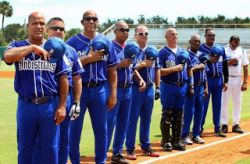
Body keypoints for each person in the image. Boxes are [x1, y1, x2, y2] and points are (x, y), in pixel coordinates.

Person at [4, 12, 70, 164]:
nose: (39, 26)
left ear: (45, 27)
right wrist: (32, 48)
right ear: (27, 26)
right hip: (26, 105)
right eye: (34, 23)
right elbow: (8, 56)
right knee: (25, 148)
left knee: (51, 149)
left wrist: (61, 106)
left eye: (41, 23)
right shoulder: (18, 45)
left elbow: (63, 78)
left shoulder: (55, 46)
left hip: (49, 105)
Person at [66, 10, 118, 164]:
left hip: (100, 90)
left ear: (98, 21)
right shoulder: (72, 43)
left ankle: (100, 161)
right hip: (78, 92)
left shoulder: (106, 42)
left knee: (102, 130)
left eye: (94, 19)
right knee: (74, 130)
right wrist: (89, 58)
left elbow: (113, 69)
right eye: (88, 19)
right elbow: (68, 68)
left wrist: (113, 93)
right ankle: (75, 161)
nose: (91, 21)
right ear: (82, 22)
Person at [47, 17, 84, 164]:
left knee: (64, 139)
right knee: (44, 141)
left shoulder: (72, 51)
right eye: (54, 28)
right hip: (48, 99)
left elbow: (77, 78)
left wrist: (77, 102)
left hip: (66, 99)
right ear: (47, 30)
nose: (58, 31)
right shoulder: (41, 49)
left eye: (61, 29)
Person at [125, 24, 160, 160]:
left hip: (149, 89)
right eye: (141, 34)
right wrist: (143, 65)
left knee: (147, 118)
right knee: (132, 119)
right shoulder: (131, 50)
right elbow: (130, 68)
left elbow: (157, 69)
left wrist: (158, 87)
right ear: (135, 35)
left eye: (146, 34)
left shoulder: (152, 50)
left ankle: (145, 146)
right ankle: (130, 149)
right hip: (135, 89)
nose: (144, 36)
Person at [159, 27, 193, 152]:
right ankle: (166, 140)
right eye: (172, 34)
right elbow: (158, 72)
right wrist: (174, 69)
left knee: (179, 114)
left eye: (176, 34)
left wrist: (191, 84)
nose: (175, 36)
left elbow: (189, 68)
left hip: (182, 86)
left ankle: (177, 140)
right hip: (168, 86)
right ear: (166, 37)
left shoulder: (183, 51)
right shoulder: (162, 53)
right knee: (167, 114)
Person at [106, 21, 133, 164]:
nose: (125, 32)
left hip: (128, 88)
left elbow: (132, 68)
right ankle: (102, 153)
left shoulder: (129, 48)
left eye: (127, 30)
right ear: (115, 31)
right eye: (122, 30)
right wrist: (118, 65)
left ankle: (117, 153)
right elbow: (102, 68)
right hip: (114, 89)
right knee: (109, 122)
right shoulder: (109, 47)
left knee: (124, 123)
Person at [199, 27, 229, 137]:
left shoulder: (220, 49)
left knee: (217, 105)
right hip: (207, 80)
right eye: (209, 35)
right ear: (205, 36)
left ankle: (217, 128)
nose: (212, 37)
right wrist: (208, 59)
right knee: (203, 106)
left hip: (218, 80)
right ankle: (199, 128)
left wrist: (226, 81)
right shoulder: (201, 49)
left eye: (213, 35)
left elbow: (225, 65)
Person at [182, 34, 207, 145]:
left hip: (201, 86)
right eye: (195, 41)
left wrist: (206, 87)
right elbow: (186, 70)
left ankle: (196, 134)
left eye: (199, 41)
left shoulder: (202, 55)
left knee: (199, 111)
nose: (197, 43)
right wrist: (199, 67)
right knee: (189, 112)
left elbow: (205, 73)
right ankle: (185, 135)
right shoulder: (186, 55)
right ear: (190, 42)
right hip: (191, 87)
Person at [221, 35, 249, 134]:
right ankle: (224, 124)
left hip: (238, 79)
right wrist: (229, 62)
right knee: (224, 103)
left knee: (238, 103)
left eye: (238, 42)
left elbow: (245, 66)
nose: (236, 44)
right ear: (230, 41)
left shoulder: (241, 50)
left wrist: (245, 82)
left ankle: (236, 124)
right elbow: (220, 65)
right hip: (227, 79)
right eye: (234, 42)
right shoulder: (224, 50)